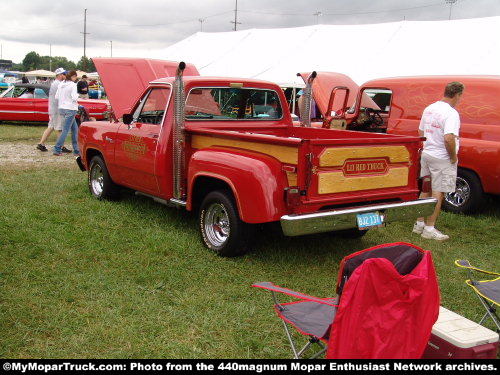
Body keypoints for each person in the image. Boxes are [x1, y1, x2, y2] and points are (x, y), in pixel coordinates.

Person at [413, 81, 465, 241]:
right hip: (442, 157)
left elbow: (420, 130)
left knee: (425, 189)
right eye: (460, 97)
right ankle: (429, 228)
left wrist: (429, 143)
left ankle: (419, 224)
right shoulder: (451, 113)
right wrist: (453, 157)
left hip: (428, 153)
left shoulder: (430, 108)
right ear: (457, 95)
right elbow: (449, 138)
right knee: (438, 192)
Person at [36, 68, 71, 153]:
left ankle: (41, 144)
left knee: (51, 127)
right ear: (60, 75)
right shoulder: (59, 84)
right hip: (57, 109)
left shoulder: (55, 83)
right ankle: (61, 147)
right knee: (59, 128)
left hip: (53, 108)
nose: (65, 76)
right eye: (64, 74)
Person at [53, 70, 80, 156]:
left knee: (75, 129)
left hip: (62, 108)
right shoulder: (73, 85)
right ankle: (57, 149)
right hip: (70, 109)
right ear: (73, 77)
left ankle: (77, 150)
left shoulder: (61, 84)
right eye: (76, 77)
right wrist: (78, 96)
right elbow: (74, 97)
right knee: (65, 130)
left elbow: (56, 96)